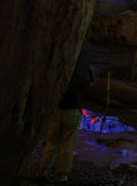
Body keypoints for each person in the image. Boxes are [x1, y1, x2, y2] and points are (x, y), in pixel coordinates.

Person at [37, 45, 94, 182]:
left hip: (58, 109)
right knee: (67, 144)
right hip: (73, 110)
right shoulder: (81, 75)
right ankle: (61, 175)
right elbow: (90, 83)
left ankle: (42, 171)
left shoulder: (62, 73)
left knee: (51, 142)